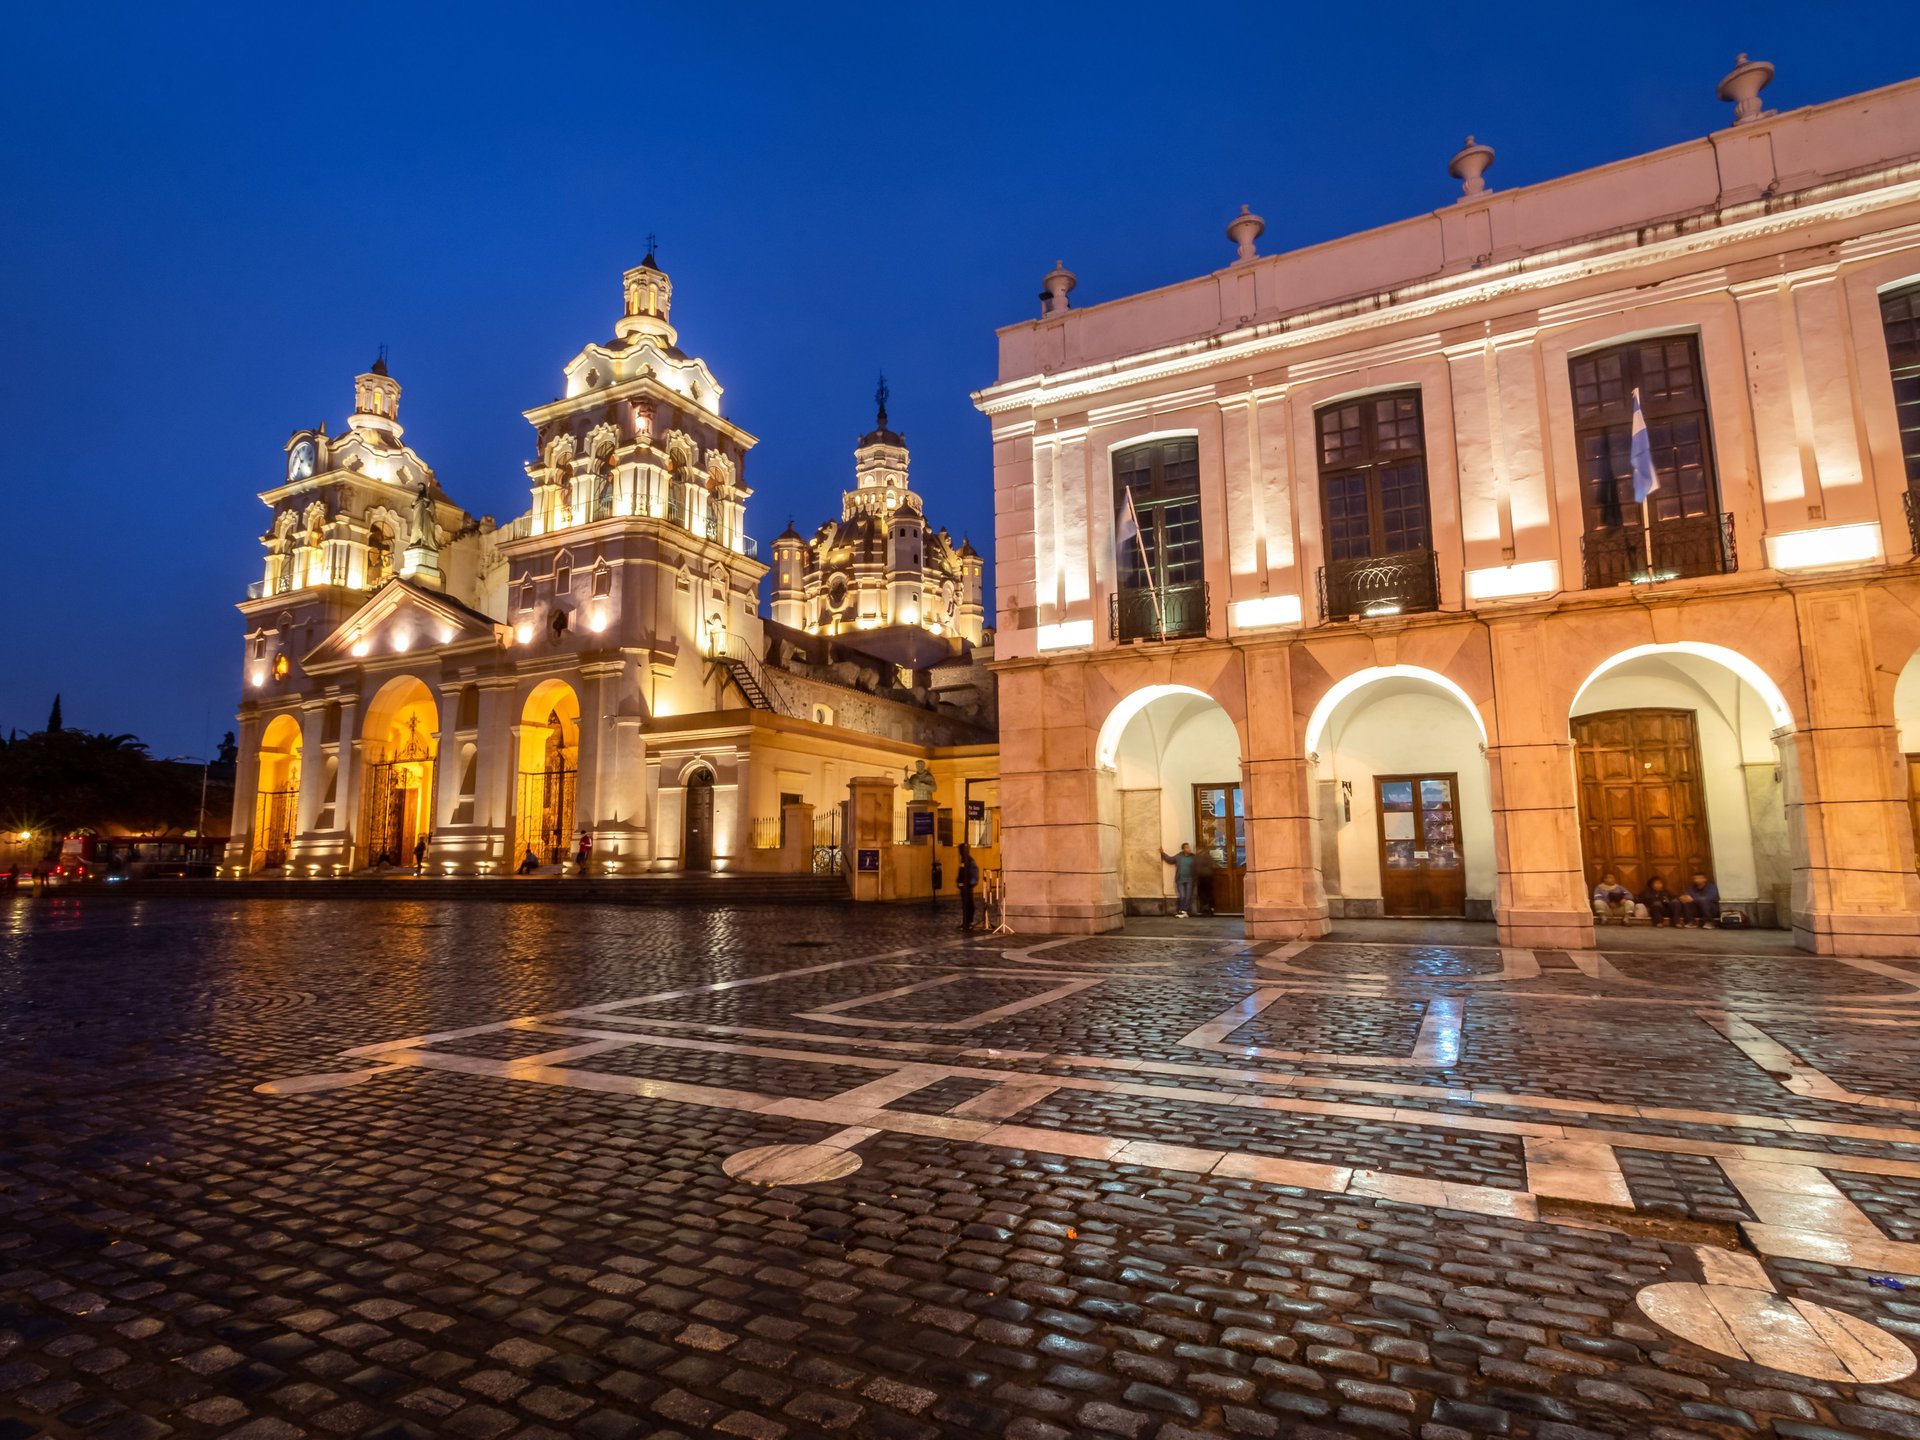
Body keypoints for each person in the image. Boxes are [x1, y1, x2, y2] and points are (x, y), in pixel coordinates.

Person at [1161, 843, 1197, 918]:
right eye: (1186, 847)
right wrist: (1162, 853)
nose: (1189, 849)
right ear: (1183, 849)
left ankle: (1185, 911)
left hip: (1190, 879)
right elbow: (1170, 859)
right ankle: (1181, 910)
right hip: (1180, 879)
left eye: (1189, 847)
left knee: (1188, 896)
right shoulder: (1179, 856)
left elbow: (1197, 866)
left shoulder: (1193, 857)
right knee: (1182, 895)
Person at [957, 843, 980, 932]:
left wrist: (969, 884)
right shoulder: (964, 860)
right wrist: (959, 882)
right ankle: (966, 922)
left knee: (969, 904)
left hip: (967, 886)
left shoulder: (969, 860)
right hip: (964, 886)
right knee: (965, 904)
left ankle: (968, 922)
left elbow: (973, 872)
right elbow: (961, 873)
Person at [1193, 846, 1216, 916]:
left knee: (1206, 894)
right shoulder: (1198, 857)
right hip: (1202, 877)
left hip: (1205, 877)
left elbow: (1210, 866)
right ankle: (1207, 909)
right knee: (1203, 894)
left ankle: (1209, 909)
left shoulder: (1204, 857)